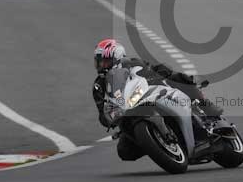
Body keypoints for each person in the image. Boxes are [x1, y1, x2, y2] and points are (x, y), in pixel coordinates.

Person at [91, 38, 222, 129]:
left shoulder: (132, 63)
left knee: (180, 78)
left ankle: (207, 107)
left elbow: (152, 68)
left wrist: (161, 72)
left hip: (150, 92)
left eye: (104, 61)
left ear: (116, 57)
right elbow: (102, 112)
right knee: (124, 151)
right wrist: (108, 118)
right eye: (99, 62)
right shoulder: (99, 85)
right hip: (128, 112)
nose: (101, 65)